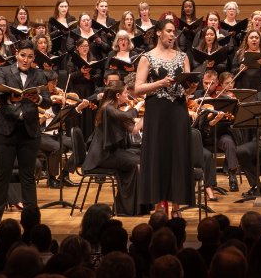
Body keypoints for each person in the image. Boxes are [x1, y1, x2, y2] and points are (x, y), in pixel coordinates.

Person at [134, 19, 196, 215]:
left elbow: (186, 86)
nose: (172, 35)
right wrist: (160, 83)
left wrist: (192, 86)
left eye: (174, 32)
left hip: (178, 110)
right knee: (158, 155)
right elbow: (137, 88)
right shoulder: (147, 58)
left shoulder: (182, 56)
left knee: (178, 154)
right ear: (159, 33)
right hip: (157, 112)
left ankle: (177, 205)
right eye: (169, 31)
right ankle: (159, 205)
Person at [0, 43, 49, 228]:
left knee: (28, 176)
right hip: (6, 131)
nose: (26, 60)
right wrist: (10, 98)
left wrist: (37, 98)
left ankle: (32, 218)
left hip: (29, 131)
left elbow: (46, 101)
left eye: (30, 57)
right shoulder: (4, 70)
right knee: (2, 174)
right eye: (23, 55)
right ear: (16, 55)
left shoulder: (38, 74)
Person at [83, 81, 142, 216]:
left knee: (138, 160)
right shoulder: (107, 108)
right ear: (117, 95)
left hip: (110, 153)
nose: (127, 95)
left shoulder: (114, 109)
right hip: (101, 157)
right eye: (125, 93)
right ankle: (126, 208)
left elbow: (132, 128)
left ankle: (131, 207)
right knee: (134, 163)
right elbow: (127, 116)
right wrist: (137, 107)